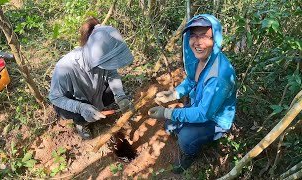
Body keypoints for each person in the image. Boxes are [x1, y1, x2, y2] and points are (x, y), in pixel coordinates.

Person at [148, 14, 236, 174]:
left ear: (215, 39)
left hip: (214, 119)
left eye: (204, 36)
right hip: (200, 106)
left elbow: (203, 113)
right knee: (170, 125)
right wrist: (173, 94)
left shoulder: (219, 76)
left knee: (186, 138)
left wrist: (167, 112)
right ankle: (187, 135)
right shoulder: (201, 59)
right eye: (194, 35)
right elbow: (191, 81)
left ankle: (190, 154)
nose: (198, 42)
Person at [49, 16, 134, 139]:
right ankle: (81, 123)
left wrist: (120, 96)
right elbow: (55, 97)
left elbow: (113, 74)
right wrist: (81, 108)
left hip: (95, 93)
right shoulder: (64, 67)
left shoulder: (104, 56)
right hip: (77, 100)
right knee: (77, 114)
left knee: (113, 91)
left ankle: (98, 109)